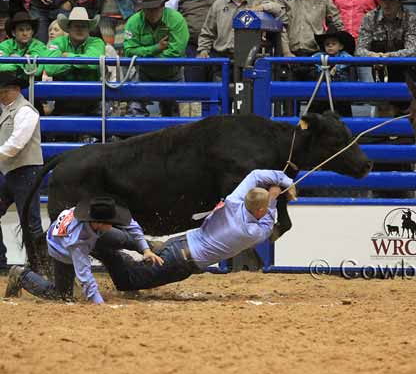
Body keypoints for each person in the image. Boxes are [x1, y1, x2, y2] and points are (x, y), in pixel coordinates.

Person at [82, 170, 296, 294]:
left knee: (140, 261)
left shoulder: (235, 200)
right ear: (259, 209)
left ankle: (112, 242)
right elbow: (268, 225)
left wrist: (283, 181)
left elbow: (256, 175)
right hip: (183, 260)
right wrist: (276, 196)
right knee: (127, 282)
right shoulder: (249, 231)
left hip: (182, 243)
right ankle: (99, 246)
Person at [5, 196, 163, 303]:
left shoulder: (96, 214)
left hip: (87, 235)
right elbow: (84, 275)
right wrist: (98, 302)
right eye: (113, 221)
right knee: (62, 296)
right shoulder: (78, 240)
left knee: (122, 237)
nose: (117, 222)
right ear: (100, 223)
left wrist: (145, 249)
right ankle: (21, 275)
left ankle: (146, 248)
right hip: (61, 249)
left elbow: (130, 224)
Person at [272, 0, 344, 81]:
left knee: (318, 96)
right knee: (288, 96)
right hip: (288, 54)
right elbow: (280, 26)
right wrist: (286, 52)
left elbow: (337, 23)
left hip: (316, 55)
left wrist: (337, 50)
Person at [0, 71, 45, 273]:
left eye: (4, 92)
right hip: (10, 172)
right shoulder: (8, 110)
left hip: (26, 172)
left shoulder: (26, 111)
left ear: (16, 90)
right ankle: (1, 259)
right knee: (30, 221)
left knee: (30, 222)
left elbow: (16, 144)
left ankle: (40, 266)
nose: (1, 96)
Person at [124, 0, 189, 117]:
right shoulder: (133, 22)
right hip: (144, 74)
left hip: (172, 75)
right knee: (134, 110)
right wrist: (156, 48)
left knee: (176, 116)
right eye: (149, 9)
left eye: (155, 8)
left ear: (163, 6)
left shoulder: (176, 19)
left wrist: (146, 55)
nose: (152, 13)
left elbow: (177, 51)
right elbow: (129, 51)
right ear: (143, 9)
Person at [197, 0, 282, 62]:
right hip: (221, 59)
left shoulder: (258, 2)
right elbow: (207, 31)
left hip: (250, 59)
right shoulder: (219, 4)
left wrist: (261, 7)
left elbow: (278, 9)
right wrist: (203, 50)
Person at [44, 7, 106, 116]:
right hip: (63, 102)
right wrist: (81, 61)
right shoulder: (58, 42)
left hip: (91, 102)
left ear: (88, 29)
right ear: (68, 28)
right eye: (76, 26)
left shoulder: (97, 42)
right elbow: (50, 69)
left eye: (84, 26)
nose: (80, 29)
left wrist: (67, 56)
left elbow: (93, 64)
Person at [356, 0, 416, 83]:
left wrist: (388, 57)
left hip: (404, 70)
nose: (387, 4)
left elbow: (412, 51)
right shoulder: (370, 18)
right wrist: (373, 56)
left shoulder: (410, 18)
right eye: (384, 0)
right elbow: (359, 50)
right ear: (379, 1)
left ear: (399, 2)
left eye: (391, 0)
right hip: (377, 70)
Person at [0, 12, 48, 79]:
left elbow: (36, 71)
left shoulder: (39, 46)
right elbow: (1, 67)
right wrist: (23, 63)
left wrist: (17, 60)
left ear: (32, 32)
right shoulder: (4, 45)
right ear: (13, 33)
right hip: (8, 84)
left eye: (28, 29)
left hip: (31, 85)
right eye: (21, 30)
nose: (25, 33)